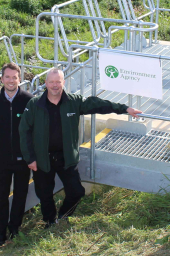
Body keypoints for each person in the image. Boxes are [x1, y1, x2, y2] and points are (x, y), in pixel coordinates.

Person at [19, 68, 142, 227]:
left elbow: (97, 104)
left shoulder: (73, 101)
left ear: (63, 82)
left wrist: (124, 109)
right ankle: (50, 221)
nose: (55, 85)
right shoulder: (35, 104)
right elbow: (24, 131)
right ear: (46, 84)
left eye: (58, 82)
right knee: (44, 194)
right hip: (42, 158)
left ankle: (63, 216)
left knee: (77, 191)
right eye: (51, 82)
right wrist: (30, 158)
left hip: (67, 157)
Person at [0, 62, 33, 247]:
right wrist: (3, 146)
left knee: (21, 195)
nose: (11, 80)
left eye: (14, 77)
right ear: (2, 79)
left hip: (23, 160)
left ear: (19, 79)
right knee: (1, 196)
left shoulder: (29, 100)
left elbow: (32, 129)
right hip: (1, 159)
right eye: (7, 77)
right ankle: (0, 234)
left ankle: (14, 229)